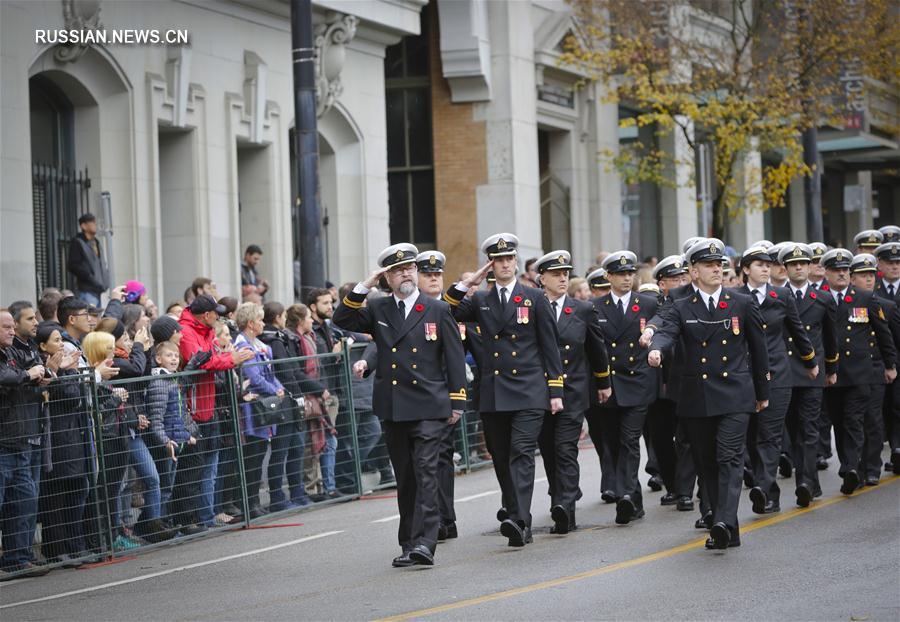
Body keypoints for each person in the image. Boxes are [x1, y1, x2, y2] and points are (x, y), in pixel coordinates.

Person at [334, 242, 467, 567]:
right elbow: (344, 318)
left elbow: (452, 356)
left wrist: (457, 400)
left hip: (430, 405)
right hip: (394, 406)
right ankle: (409, 543)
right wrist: (365, 285)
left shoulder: (436, 309)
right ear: (387, 277)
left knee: (425, 472)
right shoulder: (379, 308)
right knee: (405, 477)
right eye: (396, 270)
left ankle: (426, 542)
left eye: (409, 268)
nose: (405, 273)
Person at [648, 238, 770, 550]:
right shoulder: (679, 300)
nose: (717, 269)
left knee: (729, 458)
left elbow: (759, 349)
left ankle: (722, 522)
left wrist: (762, 390)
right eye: (709, 265)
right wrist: (656, 349)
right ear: (693, 271)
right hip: (697, 396)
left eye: (720, 265)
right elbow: (667, 329)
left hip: (734, 393)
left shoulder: (740, 302)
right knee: (707, 462)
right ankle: (726, 526)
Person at [445, 233, 564, 548]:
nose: (505, 264)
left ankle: (520, 519)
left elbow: (549, 346)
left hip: (529, 389)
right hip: (494, 391)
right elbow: (447, 309)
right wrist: (471, 280)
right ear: (491, 265)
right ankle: (514, 513)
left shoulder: (534, 297)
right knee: (500, 457)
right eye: (498, 260)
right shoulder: (481, 299)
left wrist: (555, 389)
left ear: (516, 261)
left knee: (521, 452)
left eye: (509, 258)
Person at [534, 250, 611, 534]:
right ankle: (560, 495)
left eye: (566, 273)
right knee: (548, 449)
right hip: (540, 391)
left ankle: (565, 508)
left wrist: (603, 383)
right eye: (556, 274)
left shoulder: (582, 309)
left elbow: (596, 348)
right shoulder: (533, 307)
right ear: (542, 278)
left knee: (565, 448)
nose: (563, 278)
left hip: (574, 390)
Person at [737, 246, 817, 515]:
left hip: (778, 375)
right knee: (751, 436)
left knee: (769, 436)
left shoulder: (780, 295)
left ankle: (766, 490)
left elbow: (797, 330)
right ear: (746, 269)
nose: (764, 269)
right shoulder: (734, 296)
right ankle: (763, 484)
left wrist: (810, 361)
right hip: (744, 377)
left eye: (767, 265)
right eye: (758, 264)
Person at [589, 251, 660, 524]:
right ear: (608, 277)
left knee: (629, 439)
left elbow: (663, 326)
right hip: (608, 384)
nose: (627, 278)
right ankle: (633, 499)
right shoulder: (596, 307)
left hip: (637, 381)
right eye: (620, 274)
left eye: (630, 273)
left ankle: (627, 495)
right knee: (614, 442)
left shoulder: (647, 304)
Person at [820, 249, 896, 495]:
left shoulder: (864, 298)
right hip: (831, 373)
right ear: (826, 273)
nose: (841, 273)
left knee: (855, 420)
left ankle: (851, 468)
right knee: (839, 422)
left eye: (845, 270)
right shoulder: (819, 298)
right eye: (836, 270)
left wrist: (890, 364)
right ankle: (850, 465)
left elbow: (884, 335)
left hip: (860, 373)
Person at [178, 295, 254, 528]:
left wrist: (228, 358)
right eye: (215, 312)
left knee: (211, 465)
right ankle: (189, 519)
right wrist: (231, 358)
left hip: (209, 406)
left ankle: (206, 515)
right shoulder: (187, 330)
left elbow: (214, 357)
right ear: (206, 315)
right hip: (193, 409)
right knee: (194, 470)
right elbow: (200, 361)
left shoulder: (207, 329)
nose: (219, 316)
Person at [778, 243, 838, 507]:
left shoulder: (823, 298)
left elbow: (830, 338)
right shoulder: (776, 297)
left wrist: (832, 368)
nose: (799, 267)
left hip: (812, 372)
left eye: (803, 263)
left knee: (809, 428)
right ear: (786, 269)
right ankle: (806, 480)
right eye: (793, 264)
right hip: (785, 373)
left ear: (811, 266)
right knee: (792, 428)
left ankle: (806, 481)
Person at [0, 309, 50, 577]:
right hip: (3, 442)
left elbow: (19, 378)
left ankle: (17, 558)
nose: (10, 331)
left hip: (18, 441)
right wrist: (29, 375)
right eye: (5, 327)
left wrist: (38, 378)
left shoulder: (12, 354)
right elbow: (6, 378)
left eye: (11, 326)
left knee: (25, 501)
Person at [35, 322, 88, 567]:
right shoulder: (44, 368)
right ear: (43, 346)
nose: (61, 346)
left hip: (72, 434)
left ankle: (73, 545)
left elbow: (78, 394)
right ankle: (55, 549)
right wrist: (58, 372)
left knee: (75, 491)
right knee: (56, 495)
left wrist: (70, 371)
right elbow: (68, 394)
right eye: (56, 341)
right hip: (55, 437)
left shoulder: (67, 368)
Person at [644, 255, 696, 512]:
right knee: (661, 439)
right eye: (673, 279)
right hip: (656, 383)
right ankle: (673, 486)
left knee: (686, 437)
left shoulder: (691, 303)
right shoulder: (650, 305)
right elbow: (658, 321)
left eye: (682, 278)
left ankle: (685, 491)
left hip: (684, 379)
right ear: (661, 284)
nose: (679, 282)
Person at [414, 250, 459, 540]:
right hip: (412, 395)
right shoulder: (408, 308)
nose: (434, 279)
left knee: (440, 459)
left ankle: (445, 519)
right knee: (422, 462)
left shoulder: (450, 309)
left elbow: (457, 357)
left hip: (441, 395)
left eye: (438, 274)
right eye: (428, 274)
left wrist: (458, 399)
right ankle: (432, 520)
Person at [847, 254, 894, 487]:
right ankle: (855, 466)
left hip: (875, 368)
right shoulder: (846, 303)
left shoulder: (886, 305)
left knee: (873, 419)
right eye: (863, 275)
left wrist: (890, 365)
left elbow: (888, 339)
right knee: (854, 420)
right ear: (851, 278)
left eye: (871, 275)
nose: (868, 279)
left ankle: (872, 466)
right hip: (855, 371)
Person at [234, 302, 284, 518]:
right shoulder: (242, 345)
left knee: (261, 452)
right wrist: (274, 390)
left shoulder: (262, 345)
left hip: (265, 404)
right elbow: (253, 377)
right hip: (252, 407)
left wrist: (279, 387)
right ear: (251, 323)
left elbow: (270, 374)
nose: (264, 323)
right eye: (261, 320)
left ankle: (254, 501)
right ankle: (247, 502)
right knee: (252, 456)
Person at [145, 340, 198, 524]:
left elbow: (177, 415)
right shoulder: (159, 383)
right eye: (169, 355)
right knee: (164, 486)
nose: (174, 359)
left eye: (176, 355)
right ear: (158, 359)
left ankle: (164, 523)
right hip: (166, 444)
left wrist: (186, 436)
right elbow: (157, 419)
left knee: (169, 487)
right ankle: (157, 524)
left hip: (175, 442)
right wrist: (165, 441)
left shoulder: (172, 379)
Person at [873, 241, 900, 472]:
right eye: (890, 263)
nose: (895, 267)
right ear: (879, 264)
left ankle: (898, 450)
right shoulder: (872, 289)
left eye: (898, 263)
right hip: (879, 358)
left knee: (898, 406)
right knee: (883, 407)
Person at [66, 212, 110, 307]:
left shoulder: (96, 242)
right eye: (91, 222)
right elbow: (73, 265)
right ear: (83, 226)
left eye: (95, 221)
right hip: (86, 290)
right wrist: (89, 276)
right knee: (89, 318)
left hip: (97, 290)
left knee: (96, 318)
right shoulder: (77, 242)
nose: (95, 224)